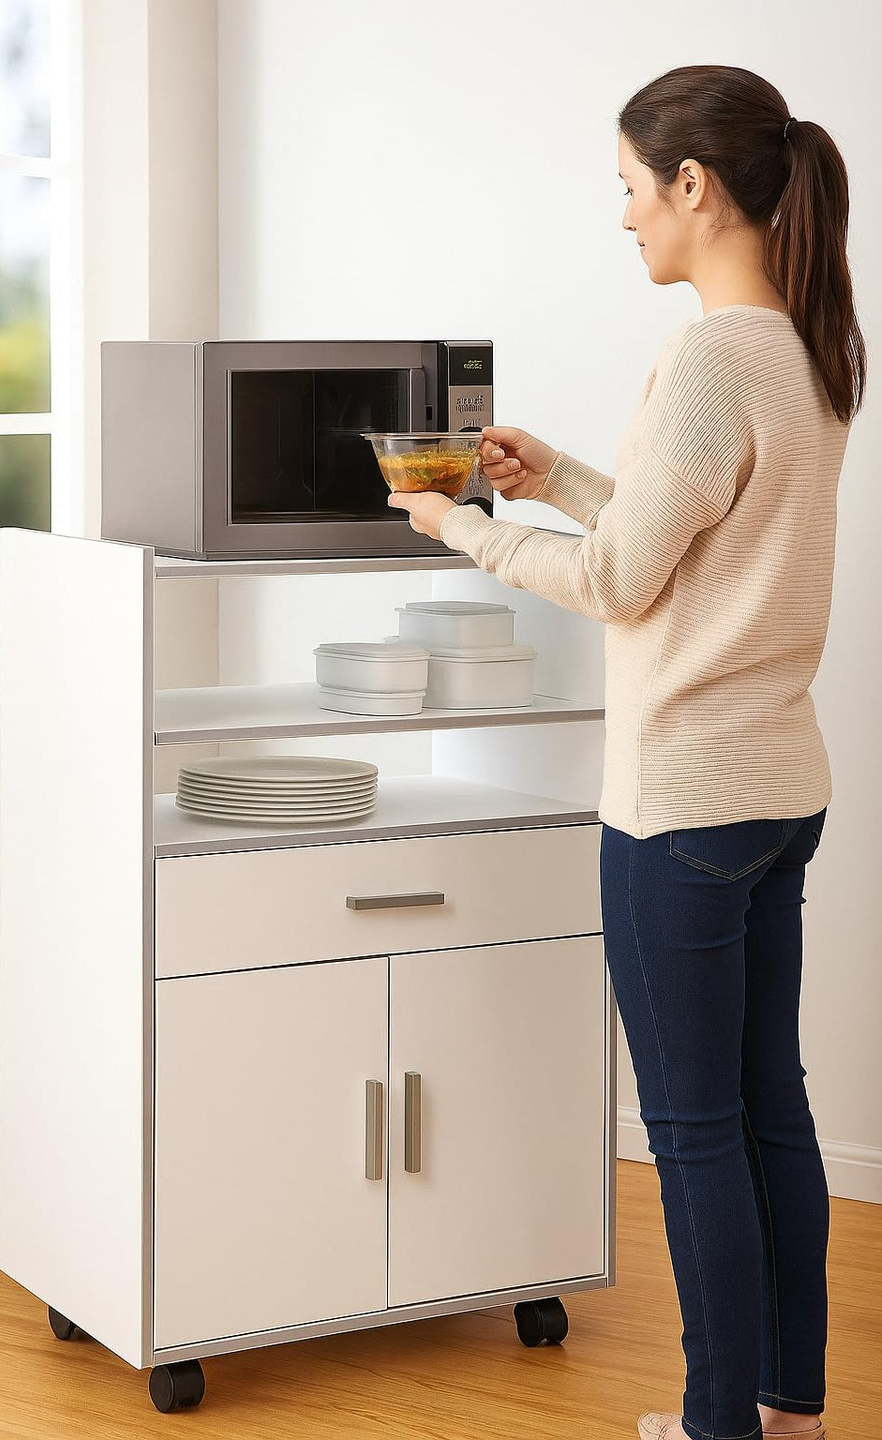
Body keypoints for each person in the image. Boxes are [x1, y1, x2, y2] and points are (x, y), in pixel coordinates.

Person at [387, 63, 866, 1440]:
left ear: (693, 185)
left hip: (682, 807)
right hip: (779, 789)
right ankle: (786, 1413)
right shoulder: (805, 344)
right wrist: (565, 480)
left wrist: (464, 529)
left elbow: (617, 584)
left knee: (698, 1130)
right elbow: (693, 530)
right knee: (772, 1109)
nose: (624, 218)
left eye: (629, 189)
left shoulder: (716, 354)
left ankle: (717, 1426)